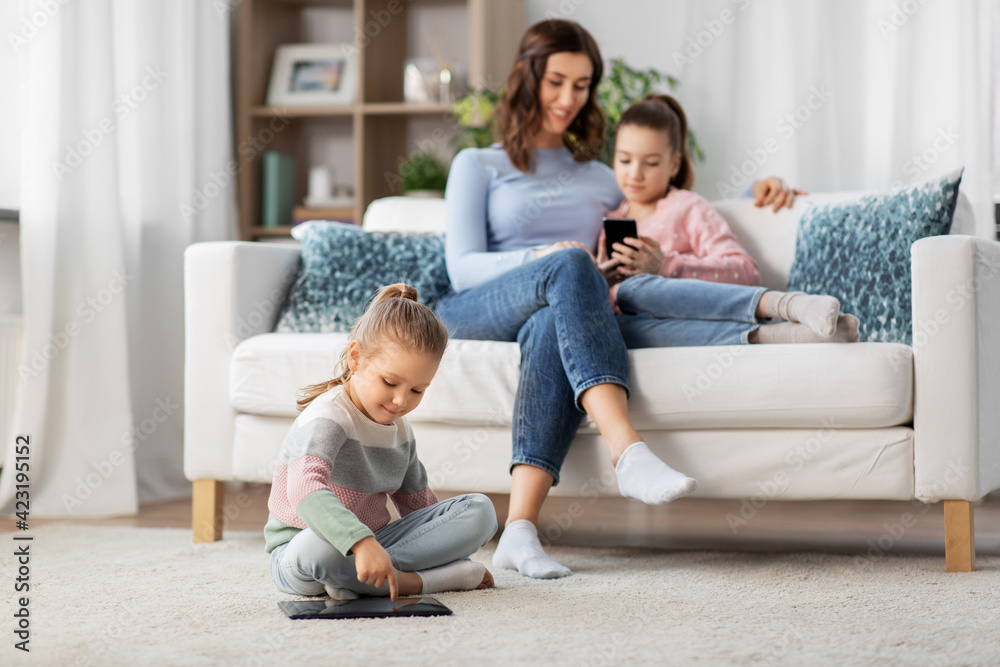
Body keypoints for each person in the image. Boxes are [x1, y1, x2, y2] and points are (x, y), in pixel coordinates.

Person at [438, 19, 806, 581]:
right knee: (567, 265)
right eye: (557, 80)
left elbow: (665, 203)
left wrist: (754, 195)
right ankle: (627, 450)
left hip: (545, 314)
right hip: (473, 310)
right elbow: (461, 269)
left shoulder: (603, 177)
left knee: (549, 322)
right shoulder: (479, 165)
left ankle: (519, 532)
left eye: (582, 85)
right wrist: (545, 257)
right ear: (527, 77)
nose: (568, 98)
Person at [264, 283, 497, 601]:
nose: (401, 401)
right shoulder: (329, 418)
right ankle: (418, 582)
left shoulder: (401, 432)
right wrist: (361, 543)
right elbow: (304, 489)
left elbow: (420, 507)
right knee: (319, 550)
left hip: (373, 546)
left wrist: (444, 545)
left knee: (480, 511)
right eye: (390, 382)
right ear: (356, 357)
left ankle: (363, 580)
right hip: (301, 552)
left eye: (417, 390)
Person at [598, 94, 860, 347]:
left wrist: (666, 265)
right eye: (624, 159)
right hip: (641, 327)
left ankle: (788, 304)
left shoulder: (687, 207)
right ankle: (784, 335)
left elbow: (745, 271)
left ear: (674, 165)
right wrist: (602, 279)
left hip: (685, 308)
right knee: (624, 311)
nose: (635, 173)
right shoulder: (608, 223)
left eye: (651, 163)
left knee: (638, 289)